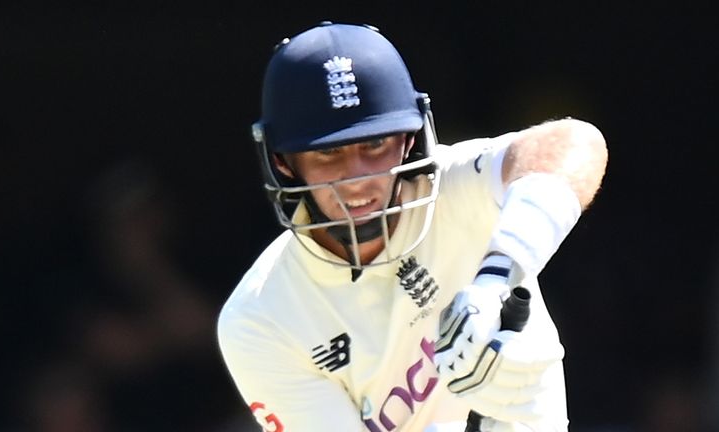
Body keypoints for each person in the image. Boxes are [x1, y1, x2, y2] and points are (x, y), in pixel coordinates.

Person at [218, 21, 608, 431]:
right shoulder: (261, 317)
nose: (357, 178)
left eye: (374, 145)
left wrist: (495, 279)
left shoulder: (454, 187)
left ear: (407, 139)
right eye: (329, 153)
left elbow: (576, 142)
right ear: (283, 162)